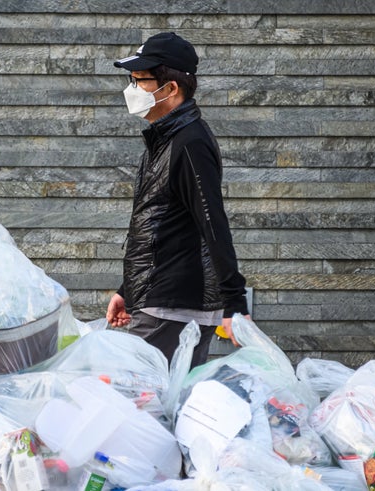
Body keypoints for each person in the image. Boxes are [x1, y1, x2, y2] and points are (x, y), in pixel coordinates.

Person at [106, 32, 251, 368]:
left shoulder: (189, 143)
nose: (131, 89)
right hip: (159, 299)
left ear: (170, 89)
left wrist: (235, 304)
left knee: (143, 407)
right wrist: (127, 289)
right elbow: (164, 228)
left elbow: (213, 223)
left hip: (172, 308)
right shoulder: (165, 139)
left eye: (139, 80)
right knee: (159, 407)